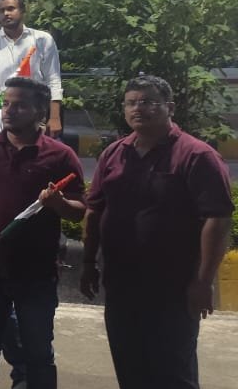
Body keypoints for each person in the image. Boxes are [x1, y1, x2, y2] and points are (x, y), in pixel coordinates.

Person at [80, 75, 233, 389]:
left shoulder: (196, 155)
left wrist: (203, 281)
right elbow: (94, 210)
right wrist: (88, 263)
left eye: (148, 102)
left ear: (170, 108)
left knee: (172, 373)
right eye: (131, 103)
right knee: (130, 369)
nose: (138, 108)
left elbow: (217, 220)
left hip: (173, 290)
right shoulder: (114, 154)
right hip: (121, 285)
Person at [0, 77, 84, 389]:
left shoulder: (60, 155)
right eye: (7, 104)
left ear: (40, 111)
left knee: (38, 351)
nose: (9, 111)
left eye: (20, 105)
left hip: (37, 270)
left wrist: (59, 203)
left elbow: (79, 211)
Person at [0, 0, 63, 137]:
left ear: (22, 11)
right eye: (1, 10)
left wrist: (55, 117)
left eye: (11, 8)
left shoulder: (42, 40)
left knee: (31, 151)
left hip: (33, 112)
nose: (6, 13)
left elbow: (53, 80)